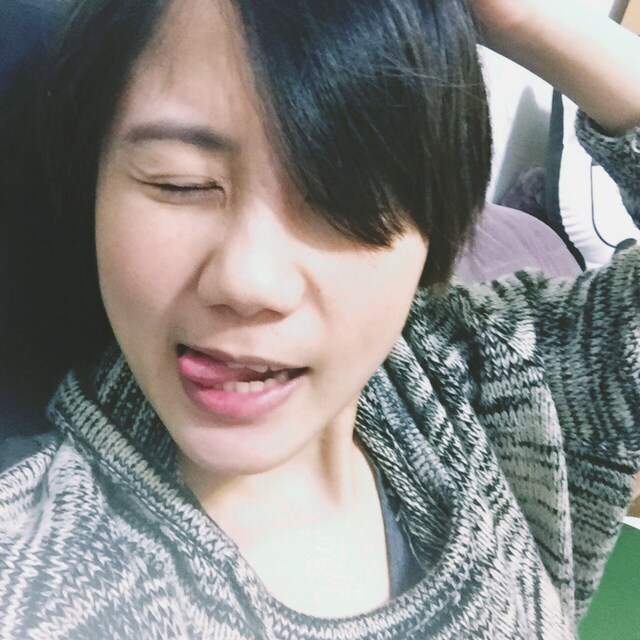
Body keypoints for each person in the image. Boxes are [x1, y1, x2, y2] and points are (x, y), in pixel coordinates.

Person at [0, 0, 638, 637]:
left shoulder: (495, 380)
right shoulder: (36, 570)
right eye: (180, 183)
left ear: (436, 220)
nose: (247, 281)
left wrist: (520, 17)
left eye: (341, 195)